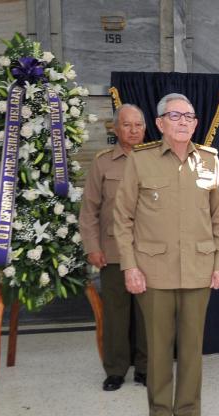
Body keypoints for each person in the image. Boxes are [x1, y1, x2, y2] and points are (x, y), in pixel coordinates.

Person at [113, 93, 219, 416]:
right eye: (175, 115)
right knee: (157, 346)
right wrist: (130, 267)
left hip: (199, 267)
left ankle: (189, 415)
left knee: (193, 346)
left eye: (189, 116)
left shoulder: (211, 162)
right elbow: (122, 219)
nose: (183, 121)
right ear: (161, 123)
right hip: (153, 271)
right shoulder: (141, 161)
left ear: (196, 124)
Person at [79, 104, 148, 391]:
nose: (133, 131)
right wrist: (92, 246)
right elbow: (89, 209)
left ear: (145, 128)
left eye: (138, 125)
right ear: (116, 129)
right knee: (116, 315)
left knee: (148, 315)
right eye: (127, 125)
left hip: (150, 252)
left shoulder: (156, 159)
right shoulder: (103, 162)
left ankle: (146, 368)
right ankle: (116, 370)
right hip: (113, 251)